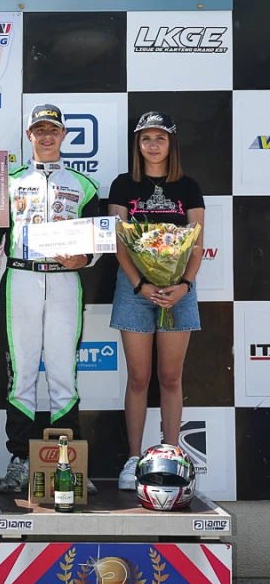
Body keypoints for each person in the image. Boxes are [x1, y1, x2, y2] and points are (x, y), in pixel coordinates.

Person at [0, 104, 100, 494]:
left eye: (53, 130)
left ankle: (70, 463)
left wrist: (85, 259)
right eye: (39, 130)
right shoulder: (9, 181)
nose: (47, 136)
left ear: (64, 135)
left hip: (65, 282)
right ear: (29, 135)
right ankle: (19, 459)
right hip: (22, 279)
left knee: (64, 374)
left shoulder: (84, 185)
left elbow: (95, 243)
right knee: (22, 374)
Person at [108, 112, 204, 490]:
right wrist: (141, 285)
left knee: (171, 377)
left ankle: (171, 457)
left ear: (171, 144)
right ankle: (134, 459)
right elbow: (119, 242)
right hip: (134, 291)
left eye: (159, 138)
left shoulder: (188, 187)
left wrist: (183, 285)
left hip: (179, 292)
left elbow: (196, 244)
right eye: (145, 138)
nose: (152, 145)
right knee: (138, 378)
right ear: (138, 144)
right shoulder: (123, 185)